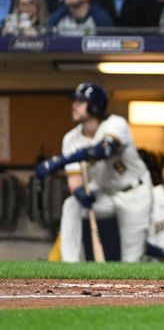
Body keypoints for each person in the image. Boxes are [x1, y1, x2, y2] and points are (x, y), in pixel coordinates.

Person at [35, 83, 153, 262]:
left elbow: (102, 151)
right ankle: (70, 263)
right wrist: (80, 192)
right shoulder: (71, 138)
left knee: (131, 260)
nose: (74, 105)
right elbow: (74, 181)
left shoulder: (116, 124)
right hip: (104, 191)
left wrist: (58, 161)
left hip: (134, 193)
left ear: (95, 105)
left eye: (80, 101)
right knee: (71, 204)